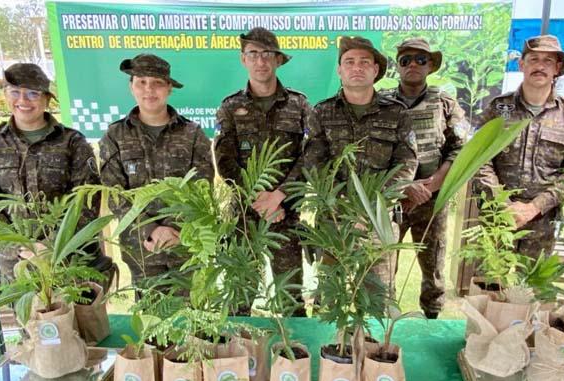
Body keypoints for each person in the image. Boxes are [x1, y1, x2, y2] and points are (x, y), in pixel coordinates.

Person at [214, 27, 322, 315]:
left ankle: (294, 357)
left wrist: (280, 196)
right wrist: (258, 198)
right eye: (253, 54)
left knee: (291, 298)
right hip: (243, 217)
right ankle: (239, 357)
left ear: (278, 60)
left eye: (267, 54)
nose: (260, 61)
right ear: (243, 60)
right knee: (240, 294)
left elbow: (309, 155)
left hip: (286, 213)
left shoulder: (299, 105)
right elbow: (224, 160)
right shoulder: (230, 107)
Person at [0, 62, 99, 280]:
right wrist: (19, 246)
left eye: (32, 94)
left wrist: (50, 245)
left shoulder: (73, 142)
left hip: (69, 259)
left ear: (46, 99)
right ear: (5, 95)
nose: (23, 101)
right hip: (16, 265)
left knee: (75, 313)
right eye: (15, 92)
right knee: (28, 314)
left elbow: (86, 200)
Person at [99, 54, 214, 288]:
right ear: (131, 87)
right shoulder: (115, 136)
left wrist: (174, 230)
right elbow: (115, 193)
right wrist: (151, 230)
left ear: (169, 88)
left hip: (185, 243)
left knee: (191, 317)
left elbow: (202, 187)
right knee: (150, 316)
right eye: (141, 82)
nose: (149, 90)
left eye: (157, 82)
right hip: (141, 247)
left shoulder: (192, 134)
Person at [314, 36, 418, 293]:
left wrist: (372, 207)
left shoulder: (397, 113)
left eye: (364, 62)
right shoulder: (322, 112)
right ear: (339, 70)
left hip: (379, 223)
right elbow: (315, 163)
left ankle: (371, 336)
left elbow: (406, 164)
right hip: (335, 222)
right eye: (349, 62)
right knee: (330, 297)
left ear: (375, 70)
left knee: (377, 300)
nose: (356, 67)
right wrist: (347, 207)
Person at [476, 35, 564, 261]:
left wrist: (535, 207)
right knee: (489, 288)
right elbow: (479, 160)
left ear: (557, 68)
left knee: (532, 292)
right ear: (521, 65)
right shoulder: (498, 109)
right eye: (533, 59)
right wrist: (502, 202)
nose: (539, 66)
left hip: (542, 223)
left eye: (548, 61)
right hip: (497, 219)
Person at [380, 38, 469, 319]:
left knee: (433, 269)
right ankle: (384, 323)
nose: (413, 65)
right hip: (392, 201)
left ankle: (431, 321)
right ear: (398, 67)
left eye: (420, 59)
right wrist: (402, 188)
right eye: (406, 60)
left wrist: (432, 186)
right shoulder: (382, 103)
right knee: (383, 269)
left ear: (430, 65)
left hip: (433, 199)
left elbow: (461, 148)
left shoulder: (445, 103)